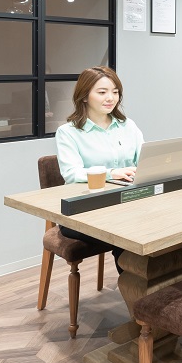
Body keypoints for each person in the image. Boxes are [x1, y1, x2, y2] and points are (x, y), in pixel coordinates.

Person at [55, 66, 144, 268]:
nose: (110, 98)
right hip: (84, 211)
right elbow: (71, 174)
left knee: (156, 222)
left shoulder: (128, 126)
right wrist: (111, 173)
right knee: (129, 230)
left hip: (126, 202)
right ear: (84, 96)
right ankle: (137, 285)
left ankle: (164, 284)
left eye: (115, 92)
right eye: (102, 92)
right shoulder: (68, 132)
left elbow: (144, 161)